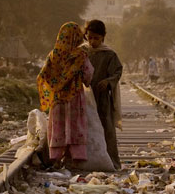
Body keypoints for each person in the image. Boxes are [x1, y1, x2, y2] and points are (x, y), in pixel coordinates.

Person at [37, 22, 93, 167]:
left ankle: (55, 157)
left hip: (58, 98)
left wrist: (56, 84)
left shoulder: (53, 55)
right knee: (75, 126)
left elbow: (44, 74)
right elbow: (88, 75)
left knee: (58, 125)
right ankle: (76, 158)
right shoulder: (80, 55)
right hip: (74, 96)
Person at [81, 19, 123, 170]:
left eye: (96, 38)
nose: (92, 41)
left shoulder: (109, 54)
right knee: (85, 127)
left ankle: (112, 162)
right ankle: (85, 160)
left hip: (103, 97)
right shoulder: (81, 52)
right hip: (84, 98)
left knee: (107, 128)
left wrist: (108, 81)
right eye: (89, 37)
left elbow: (117, 71)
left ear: (103, 37)